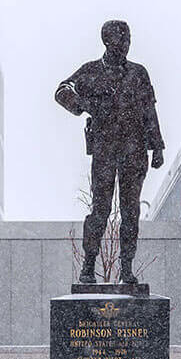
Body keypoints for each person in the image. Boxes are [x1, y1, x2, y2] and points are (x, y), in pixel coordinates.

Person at [55, 20, 164, 284]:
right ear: (107, 41)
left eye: (128, 40)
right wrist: (82, 104)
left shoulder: (138, 73)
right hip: (105, 149)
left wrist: (157, 145)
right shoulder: (91, 71)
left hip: (135, 150)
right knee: (100, 210)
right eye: (120, 40)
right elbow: (61, 91)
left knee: (131, 212)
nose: (125, 45)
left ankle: (127, 269)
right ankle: (88, 266)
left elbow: (149, 110)